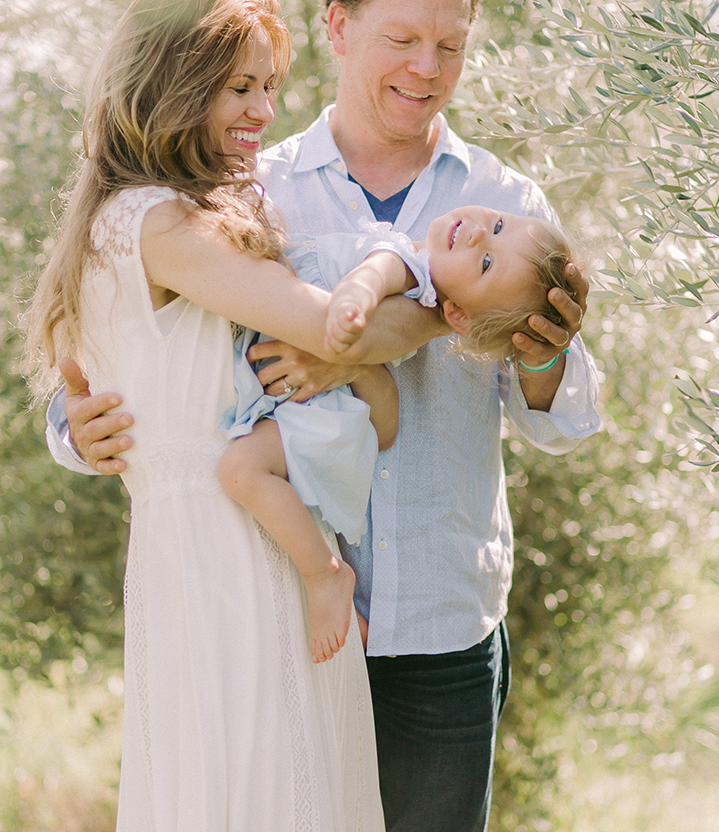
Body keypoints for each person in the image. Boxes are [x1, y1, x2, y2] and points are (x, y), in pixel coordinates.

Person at [49, 0, 601, 832]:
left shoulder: (504, 201)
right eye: (403, 37)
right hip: (284, 623)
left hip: (440, 617)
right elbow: (133, 366)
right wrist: (67, 432)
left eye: (451, 45)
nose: (426, 67)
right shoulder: (246, 181)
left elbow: (565, 418)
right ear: (342, 28)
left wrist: (546, 362)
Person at [27, 0, 421, 832]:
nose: (259, 112)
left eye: (269, 88)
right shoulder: (154, 222)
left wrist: (362, 328)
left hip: (218, 560)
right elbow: (341, 328)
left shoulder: (142, 222)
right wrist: (399, 266)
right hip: (230, 576)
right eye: (238, 88)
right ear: (174, 84)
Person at [218, 206, 576, 664]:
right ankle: (345, 605)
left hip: (311, 411)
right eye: (499, 225)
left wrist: (346, 310)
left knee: (241, 469)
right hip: (297, 400)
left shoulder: (406, 272)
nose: (478, 234)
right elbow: (384, 426)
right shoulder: (409, 265)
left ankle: (325, 576)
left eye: (486, 263)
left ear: (457, 317)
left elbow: (373, 278)